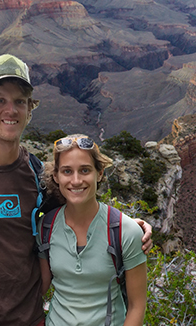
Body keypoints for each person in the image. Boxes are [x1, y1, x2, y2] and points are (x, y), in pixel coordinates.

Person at [0, 54, 152, 326]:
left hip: (31, 320)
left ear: (30, 108)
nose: (11, 110)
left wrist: (130, 228)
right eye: (0, 100)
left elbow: (79, 211)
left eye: (20, 101)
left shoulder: (37, 176)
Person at [38, 135, 146, 326]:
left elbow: (137, 306)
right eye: (67, 171)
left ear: (100, 173)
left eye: (85, 170)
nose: (76, 180)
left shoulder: (125, 232)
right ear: (56, 176)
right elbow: (40, 290)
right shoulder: (46, 227)